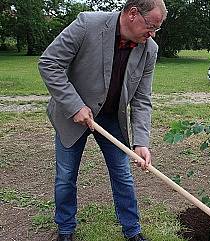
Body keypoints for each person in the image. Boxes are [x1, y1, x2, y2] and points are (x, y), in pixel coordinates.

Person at [38, 0, 167, 240]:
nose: (152, 34)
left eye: (157, 29)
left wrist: (141, 141)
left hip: (110, 118)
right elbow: (49, 63)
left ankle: (133, 231)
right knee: (66, 175)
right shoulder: (88, 24)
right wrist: (75, 105)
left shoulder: (149, 49)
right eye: (150, 26)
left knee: (123, 174)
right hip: (72, 115)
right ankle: (65, 230)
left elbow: (141, 98)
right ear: (132, 14)